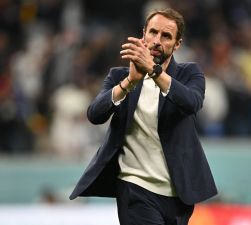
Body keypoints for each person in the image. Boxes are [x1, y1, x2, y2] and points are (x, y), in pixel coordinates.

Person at [69, 8, 217, 225]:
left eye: (166, 36)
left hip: (177, 194)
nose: (157, 40)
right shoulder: (119, 76)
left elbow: (192, 103)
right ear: (143, 34)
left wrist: (154, 71)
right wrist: (129, 82)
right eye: (153, 32)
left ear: (177, 44)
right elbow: (95, 114)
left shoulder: (189, 73)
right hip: (134, 187)